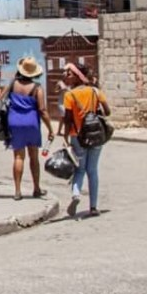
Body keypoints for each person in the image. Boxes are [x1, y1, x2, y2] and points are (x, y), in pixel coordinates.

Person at [62, 62, 111, 219]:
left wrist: (65, 136)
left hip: (77, 136)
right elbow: (108, 112)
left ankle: (76, 195)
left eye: (70, 74)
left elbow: (68, 119)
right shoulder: (95, 92)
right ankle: (94, 207)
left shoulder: (69, 95)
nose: (67, 77)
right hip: (96, 135)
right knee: (93, 170)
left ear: (77, 76)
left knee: (80, 169)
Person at [1, 57, 54, 200]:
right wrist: (50, 129)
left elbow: (0, 98)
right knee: (34, 157)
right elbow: (42, 110)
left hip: (14, 122)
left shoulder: (12, 85)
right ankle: (36, 188)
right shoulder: (37, 88)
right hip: (31, 123)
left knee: (18, 157)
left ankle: (17, 191)